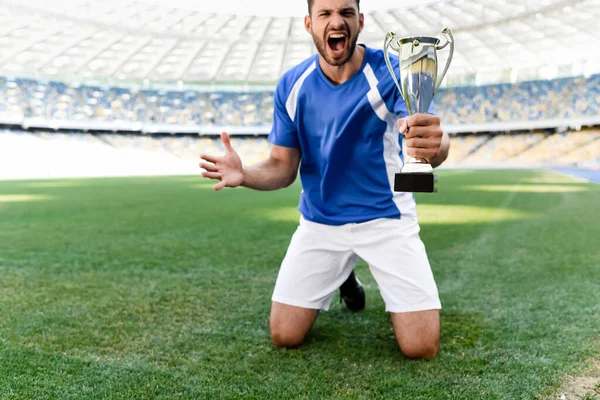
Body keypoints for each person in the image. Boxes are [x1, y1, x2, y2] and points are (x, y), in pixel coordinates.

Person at [199, 0, 450, 359]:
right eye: (326, 14)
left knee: (421, 347)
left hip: (385, 218)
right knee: (284, 335)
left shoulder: (393, 72)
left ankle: (345, 271)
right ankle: (342, 273)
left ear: (360, 21)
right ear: (309, 24)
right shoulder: (293, 85)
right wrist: (245, 175)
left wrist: (437, 145)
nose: (338, 21)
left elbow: (430, 141)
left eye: (347, 13)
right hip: (320, 223)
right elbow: (282, 167)